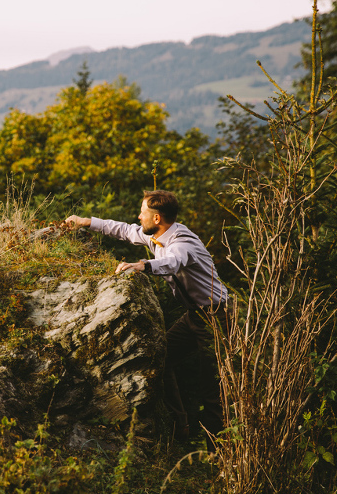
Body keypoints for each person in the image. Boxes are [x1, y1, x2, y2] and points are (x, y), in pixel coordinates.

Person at [65, 190, 229, 450]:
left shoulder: (181, 242)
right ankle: (180, 426)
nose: (138, 216)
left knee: (212, 389)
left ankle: (218, 456)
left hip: (217, 317)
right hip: (194, 316)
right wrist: (85, 221)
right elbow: (124, 230)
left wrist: (144, 264)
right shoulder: (157, 235)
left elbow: (174, 263)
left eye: (142, 212)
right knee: (161, 358)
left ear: (156, 217)